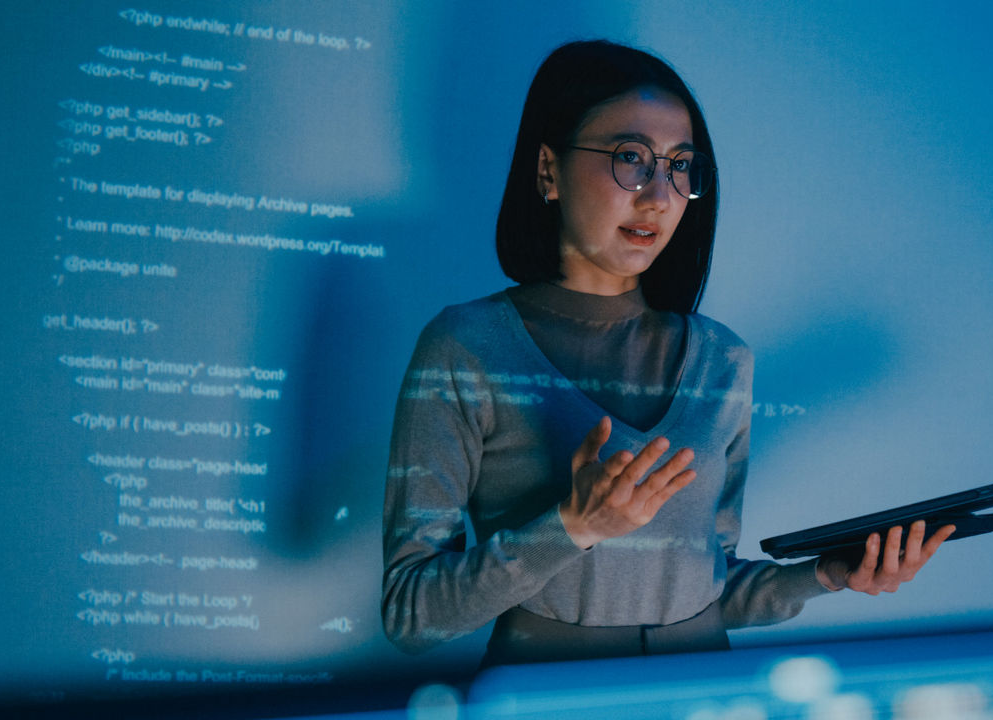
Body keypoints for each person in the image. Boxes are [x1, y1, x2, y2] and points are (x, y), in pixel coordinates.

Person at [381, 40, 953, 666]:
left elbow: (707, 588)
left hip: (701, 692)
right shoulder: (466, 348)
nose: (659, 195)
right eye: (630, 158)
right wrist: (573, 527)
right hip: (549, 698)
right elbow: (411, 613)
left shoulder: (722, 361)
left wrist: (831, 574)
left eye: (681, 166)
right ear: (548, 171)